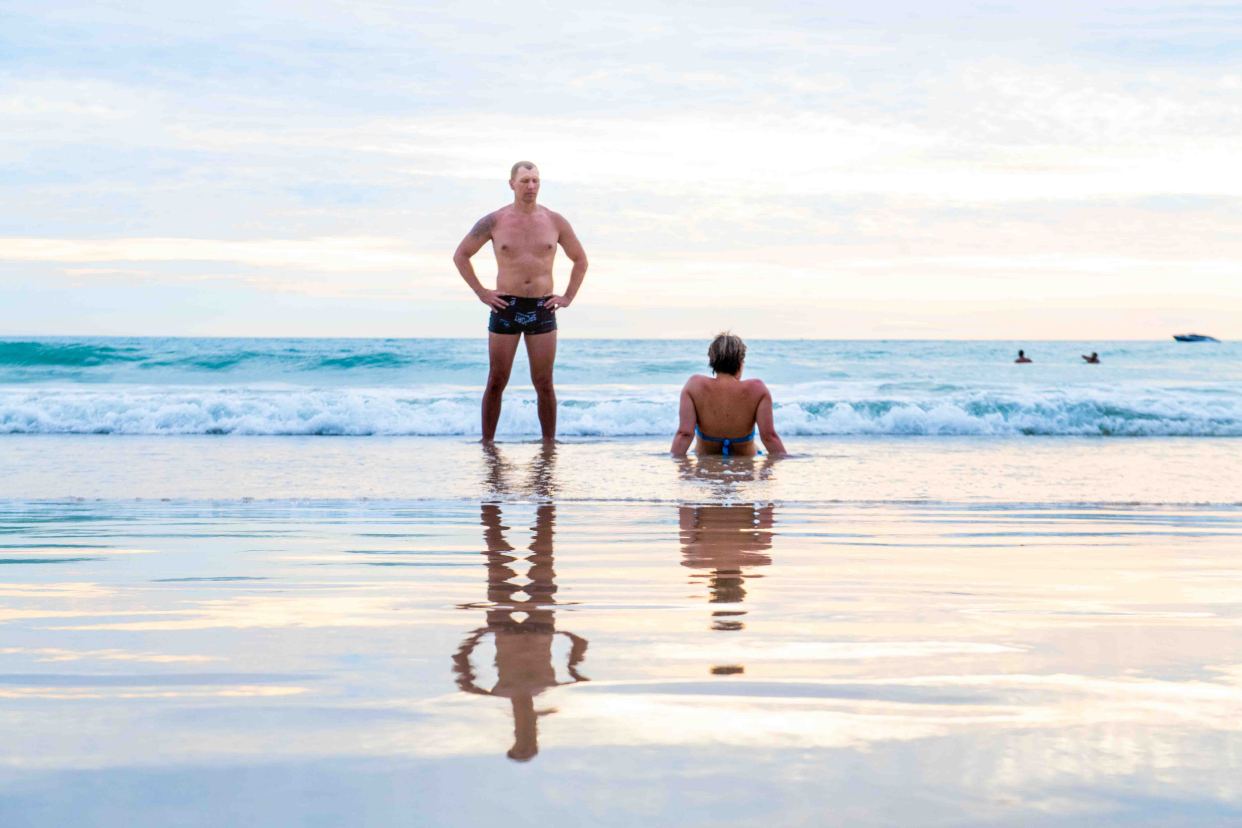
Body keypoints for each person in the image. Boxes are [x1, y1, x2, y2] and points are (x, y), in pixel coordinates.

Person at [452, 161, 588, 442]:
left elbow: (580, 260)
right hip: (506, 307)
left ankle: (549, 444)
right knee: (496, 380)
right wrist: (482, 292)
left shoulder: (555, 221)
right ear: (511, 184)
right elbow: (461, 255)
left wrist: (568, 297)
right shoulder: (494, 220)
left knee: (544, 383)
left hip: (542, 307)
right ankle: (487, 443)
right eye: (525, 180)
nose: (531, 186)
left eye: (536, 180)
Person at [671, 333, 787, 457]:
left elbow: (684, 434)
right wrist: (787, 461)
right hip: (745, 468)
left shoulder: (695, 385)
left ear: (712, 361)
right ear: (740, 362)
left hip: (705, 465)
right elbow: (769, 437)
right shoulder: (757, 389)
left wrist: (676, 463)